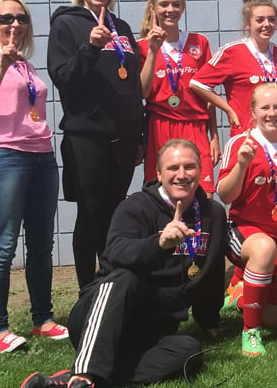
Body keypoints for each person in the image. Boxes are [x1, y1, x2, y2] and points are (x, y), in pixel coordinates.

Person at [21, 139, 232, 387]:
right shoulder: (135, 206)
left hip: (151, 328)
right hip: (100, 314)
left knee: (189, 350)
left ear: (201, 170)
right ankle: (85, 373)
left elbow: (212, 271)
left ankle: (76, 381)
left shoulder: (213, 213)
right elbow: (116, 254)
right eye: (173, 168)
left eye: (190, 166)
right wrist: (159, 244)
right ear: (159, 173)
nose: (182, 175)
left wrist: (209, 320)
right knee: (124, 276)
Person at [0, 0, 67, 353]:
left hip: (41, 157)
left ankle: (43, 320)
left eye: (21, 18)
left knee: (40, 244)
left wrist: (13, 64)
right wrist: (2, 66)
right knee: (4, 244)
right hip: (4, 156)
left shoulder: (27, 64)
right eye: (6, 18)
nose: (14, 24)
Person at [47, 0, 143, 288]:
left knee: (114, 214)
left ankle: (111, 283)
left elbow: (134, 86)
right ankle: (87, 289)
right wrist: (89, 47)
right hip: (87, 137)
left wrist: (139, 134)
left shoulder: (123, 27)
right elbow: (62, 77)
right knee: (90, 214)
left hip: (124, 138)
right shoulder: (66, 25)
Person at [217, 83, 277, 356]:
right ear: (253, 111)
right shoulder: (241, 144)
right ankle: (249, 334)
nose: (272, 113)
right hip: (243, 231)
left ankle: (242, 289)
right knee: (263, 249)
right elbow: (225, 195)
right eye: (265, 107)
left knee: (276, 319)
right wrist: (241, 165)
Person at [138, 0, 216, 196]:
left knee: (204, 194)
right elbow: (142, 93)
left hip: (196, 126)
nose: (170, 10)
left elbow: (208, 93)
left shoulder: (199, 42)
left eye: (176, 4)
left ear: (183, 7)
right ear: (153, 8)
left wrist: (215, 135)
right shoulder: (142, 47)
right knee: (161, 195)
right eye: (164, 4)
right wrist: (153, 52)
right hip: (159, 125)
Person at [191, 0, 277, 136]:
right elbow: (198, 84)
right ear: (247, 23)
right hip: (247, 134)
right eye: (260, 20)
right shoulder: (232, 52)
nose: (267, 24)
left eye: (271, 19)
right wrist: (229, 110)